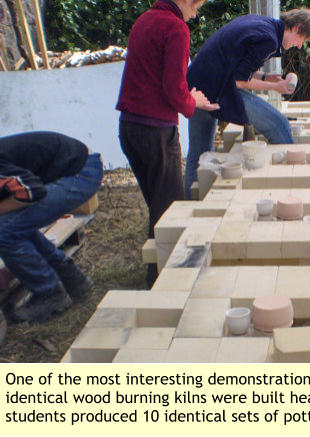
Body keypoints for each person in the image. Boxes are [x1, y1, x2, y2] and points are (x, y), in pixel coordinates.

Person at [116, 0, 218, 286]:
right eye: (196, 6)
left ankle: (158, 274)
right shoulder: (176, 27)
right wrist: (193, 101)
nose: (195, 14)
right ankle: (164, 283)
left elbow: (155, 77)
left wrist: (186, 95)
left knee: (158, 203)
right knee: (170, 210)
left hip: (130, 127)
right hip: (155, 131)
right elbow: (173, 91)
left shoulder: (145, 19)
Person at [184, 8, 310, 199]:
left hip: (198, 84)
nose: (299, 46)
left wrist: (266, 77)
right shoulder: (269, 40)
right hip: (215, 88)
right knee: (279, 124)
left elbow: (239, 68)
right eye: (302, 40)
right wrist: (275, 87)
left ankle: (190, 205)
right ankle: (290, 191)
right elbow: (239, 81)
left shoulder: (263, 25)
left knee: (198, 155)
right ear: (297, 28)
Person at [0, 132, 102, 322]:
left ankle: (50, 294)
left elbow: (32, 192)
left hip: (80, 174)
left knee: (4, 232)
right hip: (73, 168)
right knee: (13, 224)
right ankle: (74, 280)